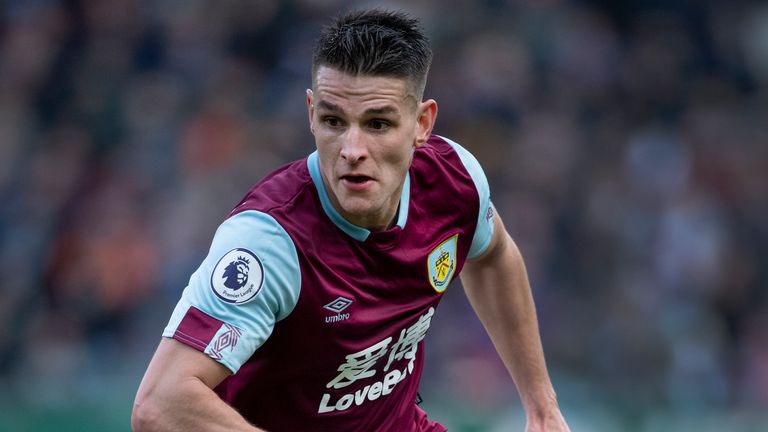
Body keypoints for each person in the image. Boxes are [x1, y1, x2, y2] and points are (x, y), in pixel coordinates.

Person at [132, 9, 570, 432]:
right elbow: (160, 403)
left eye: (377, 124)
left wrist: (542, 409)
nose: (351, 148)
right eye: (333, 121)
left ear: (422, 123)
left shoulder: (455, 181)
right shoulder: (269, 244)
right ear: (310, 114)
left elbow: (493, 256)